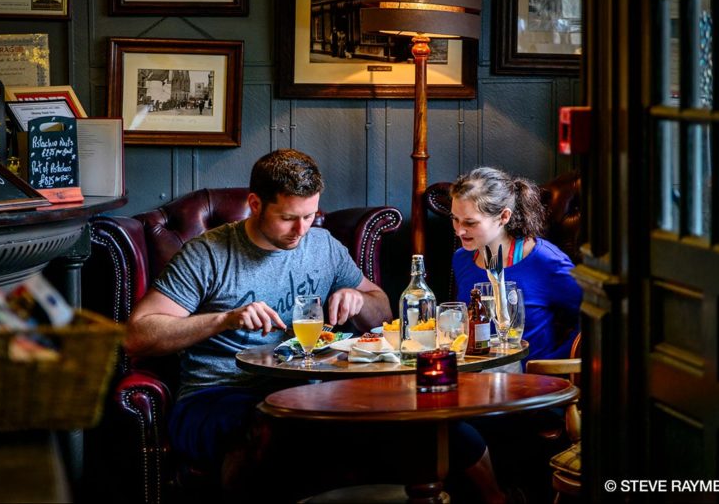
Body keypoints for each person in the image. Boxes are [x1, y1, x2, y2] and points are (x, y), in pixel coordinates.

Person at [126, 149, 392, 497]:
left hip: (307, 389)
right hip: (217, 395)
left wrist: (359, 300)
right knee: (273, 425)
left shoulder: (323, 246)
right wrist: (223, 320)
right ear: (255, 204)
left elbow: (383, 314)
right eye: (288, 218)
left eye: (309, 216)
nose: (301, 230)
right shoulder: (208, 254)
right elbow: (137, 335)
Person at [449, 167, 582, 363]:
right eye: (455, 219)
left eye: (470, 223)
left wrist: (553, 363)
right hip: (475, 374)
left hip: (530, 377)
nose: (459, 231)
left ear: (504, 216)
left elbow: (593, 316)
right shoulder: (461, 259)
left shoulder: (545, 260)